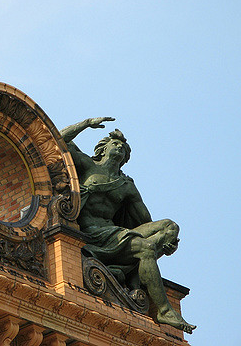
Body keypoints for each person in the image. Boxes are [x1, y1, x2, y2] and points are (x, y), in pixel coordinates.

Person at [61, 117, 196, 334]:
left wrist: (167, 244)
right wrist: (86, 124)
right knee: (146, 247)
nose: (120, 148)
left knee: (170, 227)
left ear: (125, 158)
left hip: (114, 233)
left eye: (123, 148)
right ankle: (162, 309)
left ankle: (131, 264)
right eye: (115, 144)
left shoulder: (126, 186)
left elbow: (146, 223)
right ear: (103, 149)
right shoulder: (87, 165)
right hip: (90, 232)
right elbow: (58, 139)